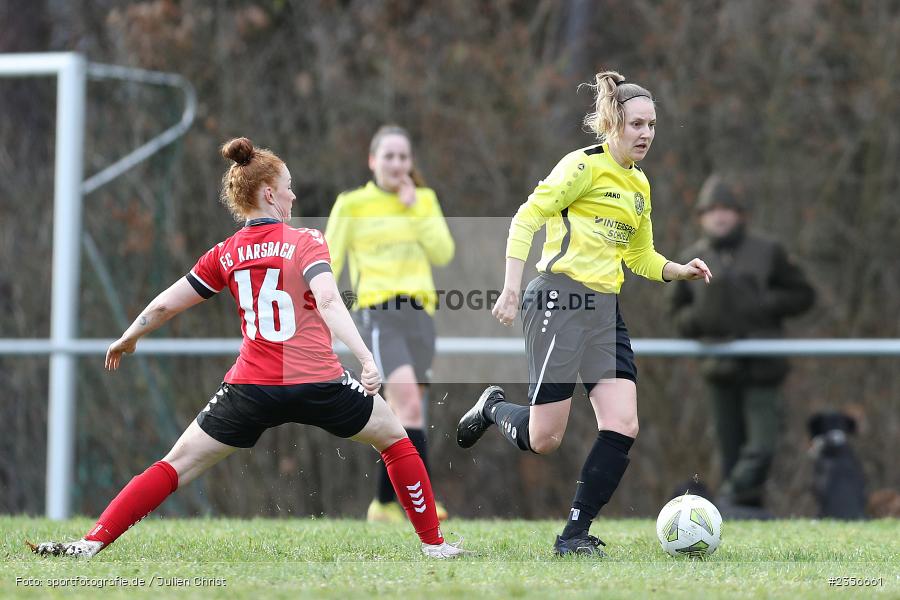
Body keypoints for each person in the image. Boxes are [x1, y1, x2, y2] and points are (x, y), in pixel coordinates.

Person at [30, 137, 463, 559]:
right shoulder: (306, 241)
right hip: (319, 381)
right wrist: (367, 359)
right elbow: (330, 300)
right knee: (395, 440)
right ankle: (435, 546)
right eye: (288, 186)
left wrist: (130, 335)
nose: (293, 195)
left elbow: (166, 303)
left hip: (251, 387)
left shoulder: (225, 252)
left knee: (174, 465)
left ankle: (91, 542)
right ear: (270, 194)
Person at [456, 70, 712, 556]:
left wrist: (678, 269)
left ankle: (574, 535)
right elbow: (526, 216)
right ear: (614, 123)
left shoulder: (640, 186)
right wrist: (511, 287)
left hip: (604, 311)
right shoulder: (582, 167)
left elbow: (639, 256)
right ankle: (492, 406)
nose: (646, 134)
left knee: (623, 424)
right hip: (560, 299)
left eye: (653, 125)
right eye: (637, 124)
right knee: (545, 438)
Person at [325, 125, 454, 523]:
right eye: (389, 156)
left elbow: (443, 252)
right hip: (379, 314)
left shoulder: (424, 199)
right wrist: (326, 320)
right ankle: (425, 502)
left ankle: (382, 505)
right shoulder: (352, 204)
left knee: (403, 413)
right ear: (372, 160)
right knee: (409, 405)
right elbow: (327, 263)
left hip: (421, 317)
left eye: (403, 157)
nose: (397, 164)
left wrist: (414, 206)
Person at [667, 175, 814, 513]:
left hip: (763, 365)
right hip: (719, 368)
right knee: (729, 450)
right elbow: (675, 313)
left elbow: (803, 295)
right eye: (711, 210)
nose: (719, 217)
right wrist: (701, 319)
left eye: (726, 209)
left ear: (740, 214)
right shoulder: (691, 258)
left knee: (762, 446)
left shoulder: (767, 251)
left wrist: (764, 303)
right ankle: (740, 516)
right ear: (701, 217)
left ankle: (727, 502)